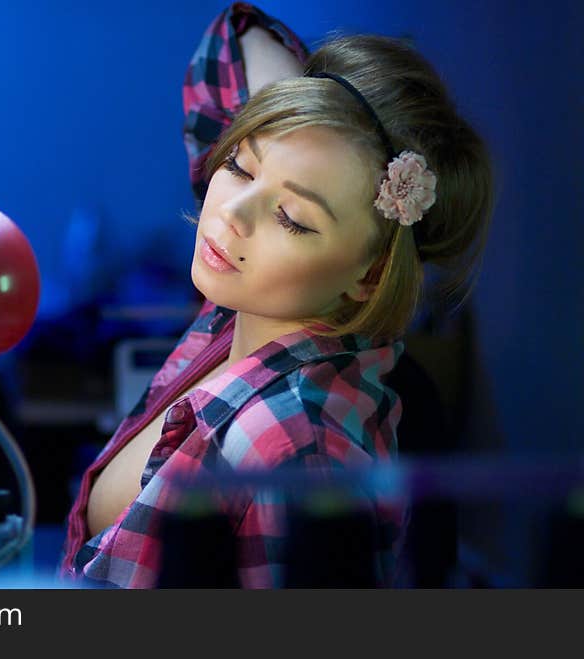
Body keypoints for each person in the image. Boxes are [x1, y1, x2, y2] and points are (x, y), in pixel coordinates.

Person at [57, 1, 494, 588]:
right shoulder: (243, 308)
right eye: (239, 163)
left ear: (368, 275)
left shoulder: (297, 446)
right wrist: (317, 109)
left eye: (291, 217)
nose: (232, 214)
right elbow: (229, 40)